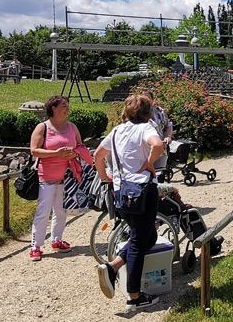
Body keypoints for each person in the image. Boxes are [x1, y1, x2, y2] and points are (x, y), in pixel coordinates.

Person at [94, 95, 165, 311]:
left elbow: (98, 154)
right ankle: (134, 297)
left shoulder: (117, 130)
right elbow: (158, 145)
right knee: (137, 242)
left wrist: (104, 175)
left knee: (147, 236)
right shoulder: (146, 129)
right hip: (143, 191)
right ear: (147, 111)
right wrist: (149, 163)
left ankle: (113, 267)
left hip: (121, 192)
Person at [28, 95, 90, 261]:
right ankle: (36, 245)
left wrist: (75, 152)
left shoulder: (72, 127)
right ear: (53, 108)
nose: (67, 109)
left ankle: (56, 240)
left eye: (67, 106)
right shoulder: (43, 128)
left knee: (61, 211)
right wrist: (56, 153)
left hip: (67, 176)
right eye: (63, 105)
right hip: (46, 176)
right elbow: (34, 150)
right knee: (43, 211)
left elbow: (81, 146)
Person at [140, 91, 173, 182]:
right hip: (143, 151)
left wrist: (168, 136)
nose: (146, 101)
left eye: (148, 98)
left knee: (159, 174)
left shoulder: (159, 111)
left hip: (160, 148)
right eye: (143, 98)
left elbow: (168, 124)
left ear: (152, 100)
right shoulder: (136, 114)